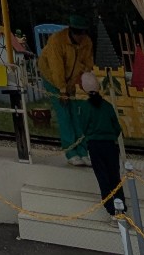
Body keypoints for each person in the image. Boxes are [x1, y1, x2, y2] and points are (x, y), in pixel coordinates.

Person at [37, 15, 95, 165]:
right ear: (71, 31)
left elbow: (87, 62)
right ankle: (71, 153)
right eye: (78, 32)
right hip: (53, 79)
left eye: (83, 32)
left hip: (70, 80)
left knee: (75, 113)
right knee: (64, 114)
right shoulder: (56, 41)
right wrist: (62, 90)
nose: (80, 36)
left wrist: (85, 78)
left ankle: (83, 151)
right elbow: (56, 67)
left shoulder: (86, 42)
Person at [73, 71, 121, 214]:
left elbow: (83, 126)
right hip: (110, 145)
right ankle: (121, 206)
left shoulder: (85, 107)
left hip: (95, 146)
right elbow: (117, 127)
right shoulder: (107, 106)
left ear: (84, 88)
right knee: (115, 177)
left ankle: (110, 208)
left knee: (102, 177)